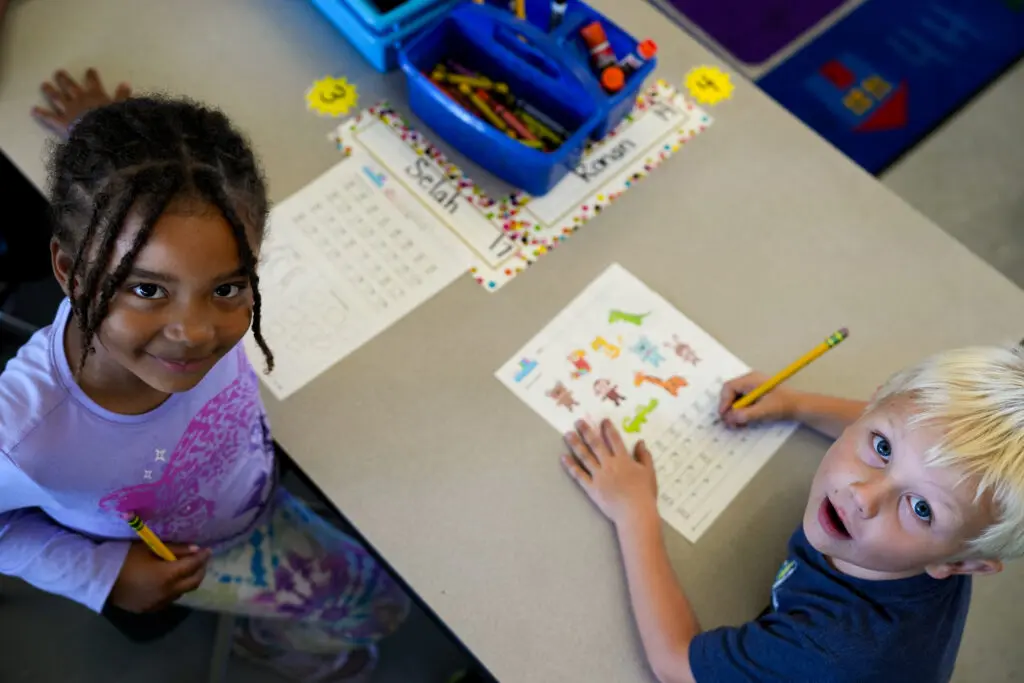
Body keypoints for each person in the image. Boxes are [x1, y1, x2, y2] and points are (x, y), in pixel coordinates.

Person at [0, 96, 409, 682]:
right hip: (201, 555)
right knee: (377, 606)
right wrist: (101, 574)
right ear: (70, 270)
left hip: (252, 481)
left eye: (227, 288)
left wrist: (120, 160)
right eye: (146, 290)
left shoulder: (169, 298)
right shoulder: (21, 432)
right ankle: (274, 647)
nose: (193, 335)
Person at [560, 346, 1024, 682]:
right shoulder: (958, 525)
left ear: (962, 564)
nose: (863, 496)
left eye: (921, 508)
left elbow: (675, 664)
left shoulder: (832, 653)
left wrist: (635, 513)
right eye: (881, 447)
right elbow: (905, 429)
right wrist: (795, 403)